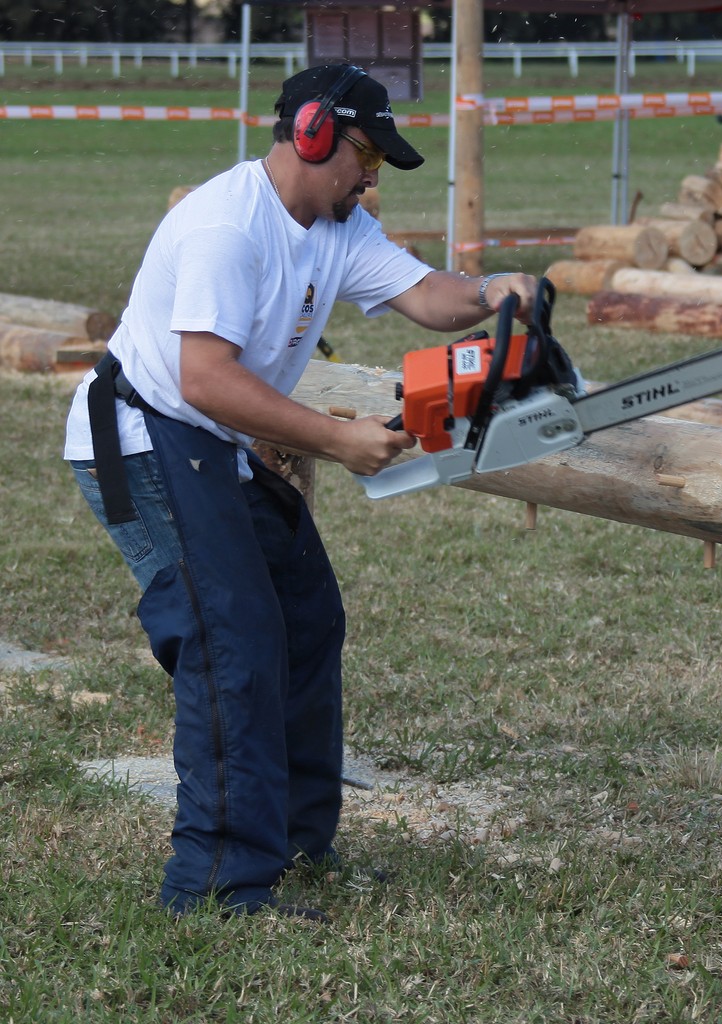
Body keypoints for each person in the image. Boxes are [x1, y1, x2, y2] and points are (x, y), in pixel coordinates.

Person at [63, 63, 538, 919]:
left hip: (215, 444)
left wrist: (488, 290)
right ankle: (215, 886)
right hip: (142, 440)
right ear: (311, 132)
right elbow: (204, 380)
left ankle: (295, 844)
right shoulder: (225, 226)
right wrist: (339, 440)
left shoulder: (337, 223)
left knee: (308, 616)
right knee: (230, 643)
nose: (371, 175)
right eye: (364, 155)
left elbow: (426, 295)